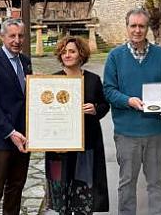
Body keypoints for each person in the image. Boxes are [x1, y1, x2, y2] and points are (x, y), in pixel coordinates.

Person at [103, 8, 161, 215]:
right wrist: (128, 101)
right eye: (133, 25)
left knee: (155, 181)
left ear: (147, 29)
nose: (137, 30)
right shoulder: (115, 56)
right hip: (127, 132)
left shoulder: (160, 55)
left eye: (141, 26)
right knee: (127, 182)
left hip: (154, 130)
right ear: (127, 27)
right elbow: (108, 90)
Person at [45, 36, 110, 215]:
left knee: (83, 196)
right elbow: (43, 111)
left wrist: (95, 109)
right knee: (61, 196)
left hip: (87, 144)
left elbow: (105, 105)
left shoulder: (93, 80)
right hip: (59, 147)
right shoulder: (51, 81)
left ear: (81, 54)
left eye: (72, 51)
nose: (67, 55)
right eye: (64, 52)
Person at [0, 19, 32, 215]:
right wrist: (10, 132)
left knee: (16, 187)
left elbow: (26, 97)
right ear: (2, 37)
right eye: (12, 36)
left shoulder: (26, 62)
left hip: (23, 137)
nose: (17, 40)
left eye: (20, 36)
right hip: (0, 138)